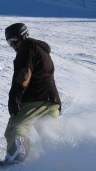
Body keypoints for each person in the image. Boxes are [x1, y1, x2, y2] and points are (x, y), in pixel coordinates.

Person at [4, 23, 61, 162]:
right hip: (52, 102)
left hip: (35, 99)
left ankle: (17, 153)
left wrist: (14, 99)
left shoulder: (27, 49)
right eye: (8, 42)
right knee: (48, 135)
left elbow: (24, 75)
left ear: (23, 36)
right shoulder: (41, 50)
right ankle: (59, 161)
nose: (12, 45)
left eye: (14, 40)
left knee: (15, 127)